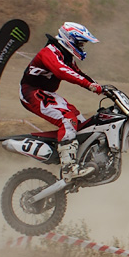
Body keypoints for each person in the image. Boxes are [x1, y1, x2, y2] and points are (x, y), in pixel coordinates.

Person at [19, 22, 103, 181]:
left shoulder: (66, 55)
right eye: (80, 43)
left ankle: (82, 160)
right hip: (30, 92)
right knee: (67, 119)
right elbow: (62, 71)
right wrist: (90, 86)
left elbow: (77, 72)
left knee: (80, 120)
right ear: (69, 39)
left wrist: (101, 87)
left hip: (46, 93)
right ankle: (69, 168)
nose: (82, 47)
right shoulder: (49, 52)